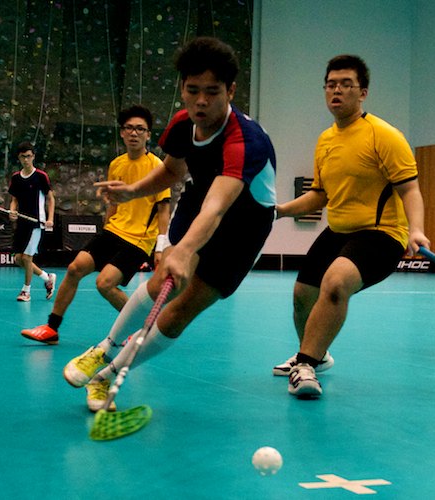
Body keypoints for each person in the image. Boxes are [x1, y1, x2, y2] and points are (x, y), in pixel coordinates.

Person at [60, 36, 276, 412]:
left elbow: (218, 208)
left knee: (179, 311)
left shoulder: (245, 141)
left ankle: (107, 375)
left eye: (213, 91)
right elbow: (173, 172)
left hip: (244, 226)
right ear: (182, 88)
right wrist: (131, 192)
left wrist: (184, 250)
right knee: (163, 281)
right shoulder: (182, 123)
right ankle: (105, 349)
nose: (201, 102)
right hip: (198, 203)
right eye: (193, 91)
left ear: (232, 90)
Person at [273, 55, 430, 398]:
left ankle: (305, 364)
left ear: (363, 92)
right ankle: (317, 354)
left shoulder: (384, 135)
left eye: (346, 84)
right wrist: (279, 211)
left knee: (336, 281)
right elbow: (319, 196)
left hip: (381, 233)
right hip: (339, 231)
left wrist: (415, 229)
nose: (337, 91)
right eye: (331, 84)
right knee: (302, 295)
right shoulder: (326, 140)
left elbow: (410, 189)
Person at [20, 105, 171, 345]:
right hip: (113, 231)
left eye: (140, 129)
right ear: (122, 132)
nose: (134, 133)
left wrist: (161, 247)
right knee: (74, 268)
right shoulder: (117, 164)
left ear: (148, 134)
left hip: (140, 239)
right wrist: (105, 228)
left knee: (105, 284)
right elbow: (113, 202)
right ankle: (51, 329)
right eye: (129, 128)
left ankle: (143, 328)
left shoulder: (158, 168)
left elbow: (164, 207)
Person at [8, 141, 56, 302]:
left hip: (37, 222)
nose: (26, 160)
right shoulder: (16, 178)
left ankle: (26, 291)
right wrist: (12, 210)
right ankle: (47, 277)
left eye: (29, 156)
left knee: (27, 258)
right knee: (18, 259)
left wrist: (50, 219)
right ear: (19, 158)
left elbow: (50, 199)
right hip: (22, 222)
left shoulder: (41, 176)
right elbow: (14, 200)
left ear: (33, 157)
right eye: (23, 157)